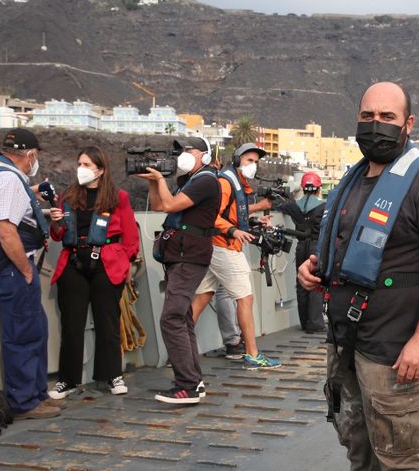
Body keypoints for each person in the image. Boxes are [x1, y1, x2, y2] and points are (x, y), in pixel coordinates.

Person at [298, 82, 419, 470]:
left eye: (387, 117)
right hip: (344, 345)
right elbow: (346, 249)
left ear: (408, 123)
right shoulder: (352, 181)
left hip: (390, 351)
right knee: (360, 449)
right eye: (367, 116)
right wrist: (314, 269)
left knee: (400, 459)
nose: (376, 125)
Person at [0, 128, 61, 419]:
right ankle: (24, 402)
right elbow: (7, 232)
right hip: (14, 269)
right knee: (22, 335)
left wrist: (33, 193)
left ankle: (37, 395)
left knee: (36, 330)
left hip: (7, 268)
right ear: (30, 155)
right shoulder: (9, 179)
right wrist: (26, 270)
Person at [46, 147, 139, 399]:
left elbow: (130, 234)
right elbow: (58, 234)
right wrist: (55, 221)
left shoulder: (118, 197)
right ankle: (67, 379)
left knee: (107, 322)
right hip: (73, 263)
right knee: (71, 325)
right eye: (80, 163)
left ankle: (111, 375)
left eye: (87, 164)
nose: (82, 168)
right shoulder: (67, 197)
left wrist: (128, 263)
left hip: (106, 264)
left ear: (100, 169)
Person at [135, 137, 220, 404]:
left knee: (170, 317)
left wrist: (161, 179)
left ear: (204, 156)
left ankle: (187, 386)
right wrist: (153, 181)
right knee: (182, 317)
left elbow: (170, 205)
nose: (183, 155)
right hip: (179, 254)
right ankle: (195, 380)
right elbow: (160, 205)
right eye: (181, 151)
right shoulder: (190, 182)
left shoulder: (206, 180)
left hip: (189, 256)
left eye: (189, 151)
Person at [190, 143, 281, 369]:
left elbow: (231, 215)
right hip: (225, 247)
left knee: (201, 298)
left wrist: (253, 221)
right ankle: (252, 354)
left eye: (256, 162)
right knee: (245, 298)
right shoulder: (226, 183)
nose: (253, 165)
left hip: (216, 246)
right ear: (238, 159)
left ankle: (178, 350)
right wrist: (233, 231)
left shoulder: (235, 182)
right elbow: (211, 215)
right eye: (249, 160)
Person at [279, 171, 326, 333]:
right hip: (315, 247)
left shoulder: (293, 206)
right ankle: (315, 323)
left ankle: (304, 322)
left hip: (300, 247)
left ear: (303, 187)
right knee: (314, 282)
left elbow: (279, 206)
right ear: (318, 189)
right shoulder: (323, 206)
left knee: (301, 283)